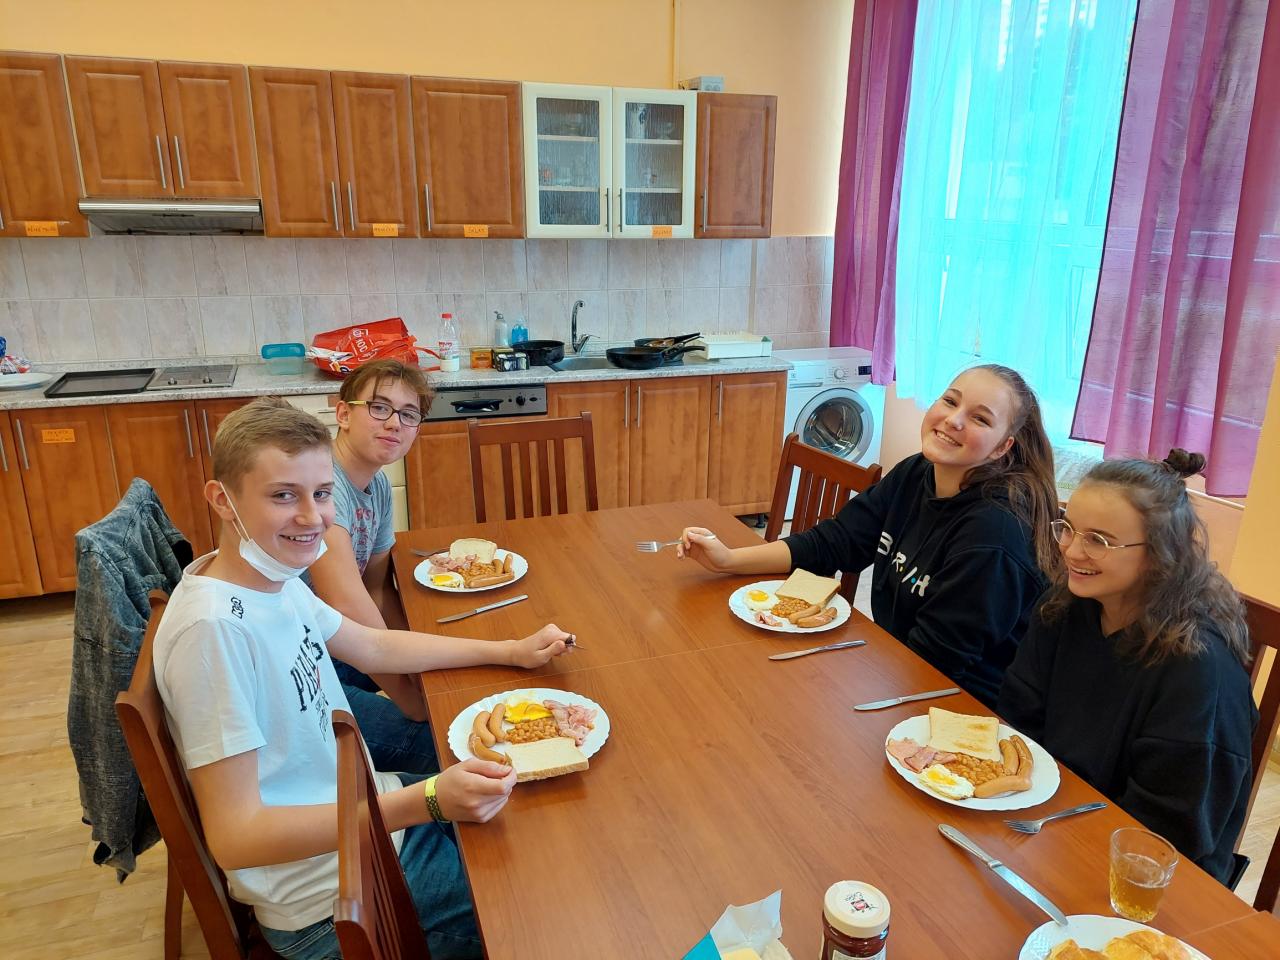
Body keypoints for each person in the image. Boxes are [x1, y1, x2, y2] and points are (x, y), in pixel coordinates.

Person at [152, 397, 570, 959]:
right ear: (222, 499)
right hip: (331, 901)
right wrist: (428, 800)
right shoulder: (214, 632)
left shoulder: (267, 575)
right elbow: (236, 837)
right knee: (552, 916)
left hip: (370, 823)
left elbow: (371, 644)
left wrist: (509, 651)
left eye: (322, 493)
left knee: (546, 831)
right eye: (283, 495)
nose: (313, 518)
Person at [679, 364, 1058, 707]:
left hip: (960, 707)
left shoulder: (994, 533)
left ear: (1002, 447)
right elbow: (834, 542)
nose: (953, 420)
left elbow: (936, 662)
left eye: (979, 418)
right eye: (950, 401)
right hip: (899, 671)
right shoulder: (916, 473)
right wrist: (728, 559)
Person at [999, 450, 1256, 885]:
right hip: (1049, 822)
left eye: (1098, 540)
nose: (1071, 550)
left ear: (1159, 554)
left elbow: (1170, 831)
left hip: (1145, 873)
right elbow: (1018, 719)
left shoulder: (1196, 670)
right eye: (1068, 528)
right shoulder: (1064, 607)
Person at [305, 359, 438, 773]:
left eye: (409, 414)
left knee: (443, 674)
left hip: (336, 646)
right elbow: (350, 606)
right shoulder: (323, 488)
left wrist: (416, 666)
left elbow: (378, 591)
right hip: (301, 672)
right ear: (343, 414)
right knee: (438, 741)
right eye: (379, 408)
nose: (394, 423)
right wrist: (415, 701)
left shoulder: (376, 484)